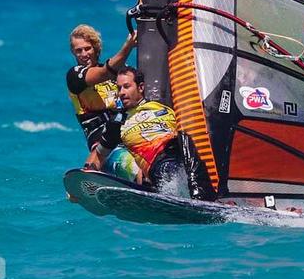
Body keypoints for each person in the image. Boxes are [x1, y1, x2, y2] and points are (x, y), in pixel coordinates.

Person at [89, 67, 215, 201]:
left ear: (141, 87)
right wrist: (84, 179)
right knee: (174, 159)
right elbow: (98, 155)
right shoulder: (117, 123)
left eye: (126, 87)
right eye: (119, 88)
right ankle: (200, 197)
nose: (122, 93)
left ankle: (207, 198)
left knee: (184, 137)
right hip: (159, 163)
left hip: (181, 155)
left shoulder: (163, 108)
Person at [65, 25, 140, 181]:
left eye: (88, 49)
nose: (84, 54)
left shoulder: (120, 72)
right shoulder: (74, 75)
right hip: (104, 145)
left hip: (131, 133)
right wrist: (128, 46)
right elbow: (104, 73)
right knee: (134, 168)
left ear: (96, 48)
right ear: (73, 52)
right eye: (78, 50)